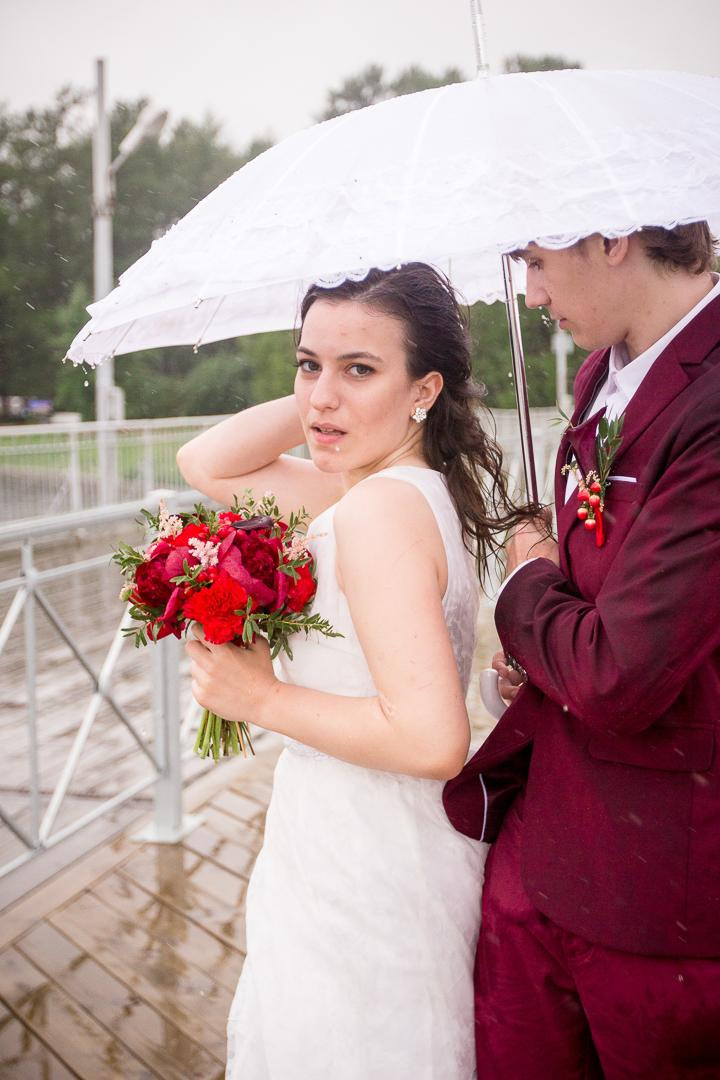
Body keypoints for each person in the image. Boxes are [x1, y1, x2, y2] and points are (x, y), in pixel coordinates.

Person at [176, 263, 536, 1079]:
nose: (321, 397)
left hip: (366, 869)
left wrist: (260, 695)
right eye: (308, 364)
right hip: (361, 838)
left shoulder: (373, 509)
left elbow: (432, 737)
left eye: (360, 369)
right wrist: (333, 396)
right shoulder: (390, 488)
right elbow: (208, 463)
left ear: (426, 389)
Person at [444, 222, 720, 1079]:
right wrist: (538, 652)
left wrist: (525, 584)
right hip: (541, 851)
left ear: (610, 238)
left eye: (534, 262)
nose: (531, 294)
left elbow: (618, 674)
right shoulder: (603, 374)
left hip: (658, 894)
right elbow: (594, 603)